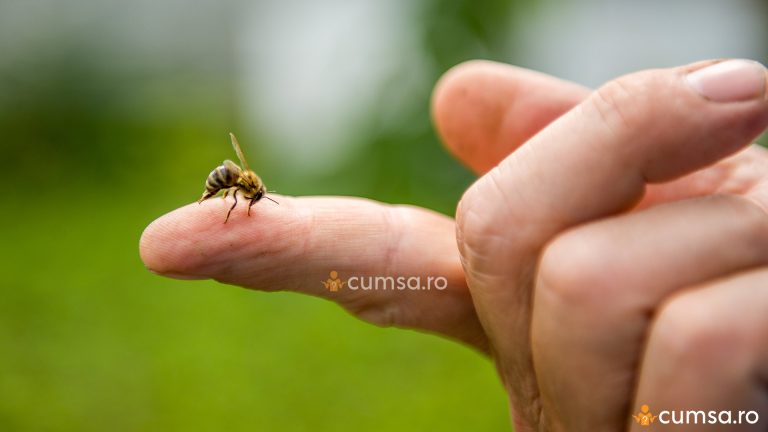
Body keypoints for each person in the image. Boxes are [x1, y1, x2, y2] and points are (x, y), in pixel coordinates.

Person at [140, 58, 768, 430]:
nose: (245, 196)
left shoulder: (250, 190)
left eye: (244, 195)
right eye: (245, 196)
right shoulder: (238, 187)